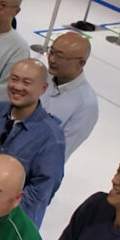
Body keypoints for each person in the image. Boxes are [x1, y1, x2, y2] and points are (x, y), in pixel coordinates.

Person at [0, 59, 66, 228]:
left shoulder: (51, 137)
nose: (17, 87)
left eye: (26, 83)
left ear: (43, 89)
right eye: (14, 79)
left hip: (11, 223)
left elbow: (40, 191)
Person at [41, 32, 99, 160]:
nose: (52, 59)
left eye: (60, 56)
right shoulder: (41, 77)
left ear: (81, 63)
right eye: (52, 52)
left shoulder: (86, 105)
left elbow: (60, 152)